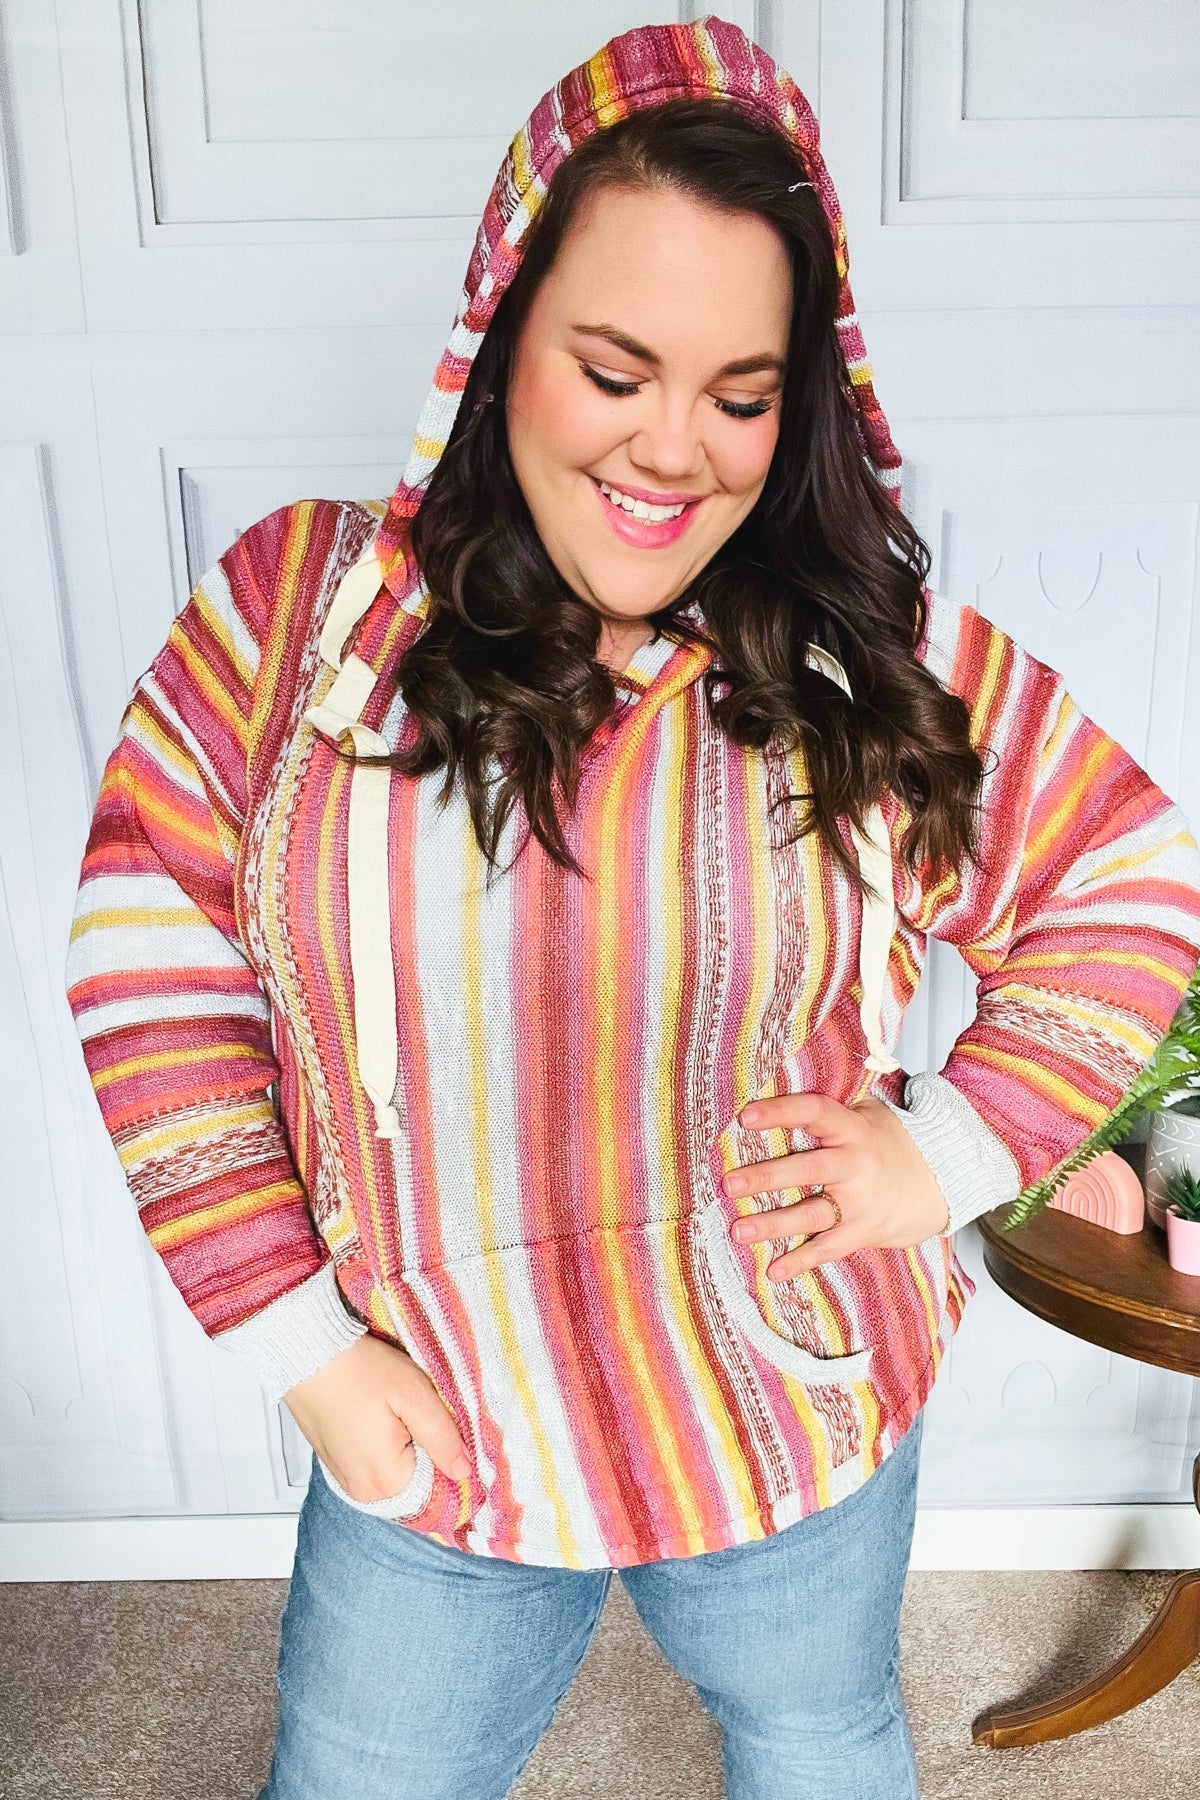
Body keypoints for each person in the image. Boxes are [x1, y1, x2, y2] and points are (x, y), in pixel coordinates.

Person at [64, 17, 1200, 1800]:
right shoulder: (297, 619)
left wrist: (950, 1153)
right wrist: (296, 1344)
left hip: (786, 1406)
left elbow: (1124, 880)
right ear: (501, 333)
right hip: (434, 1418)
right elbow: (151, 975)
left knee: (818, 1735)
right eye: (615, 369)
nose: (677, 451)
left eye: (741, 395)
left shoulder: (863, 663)